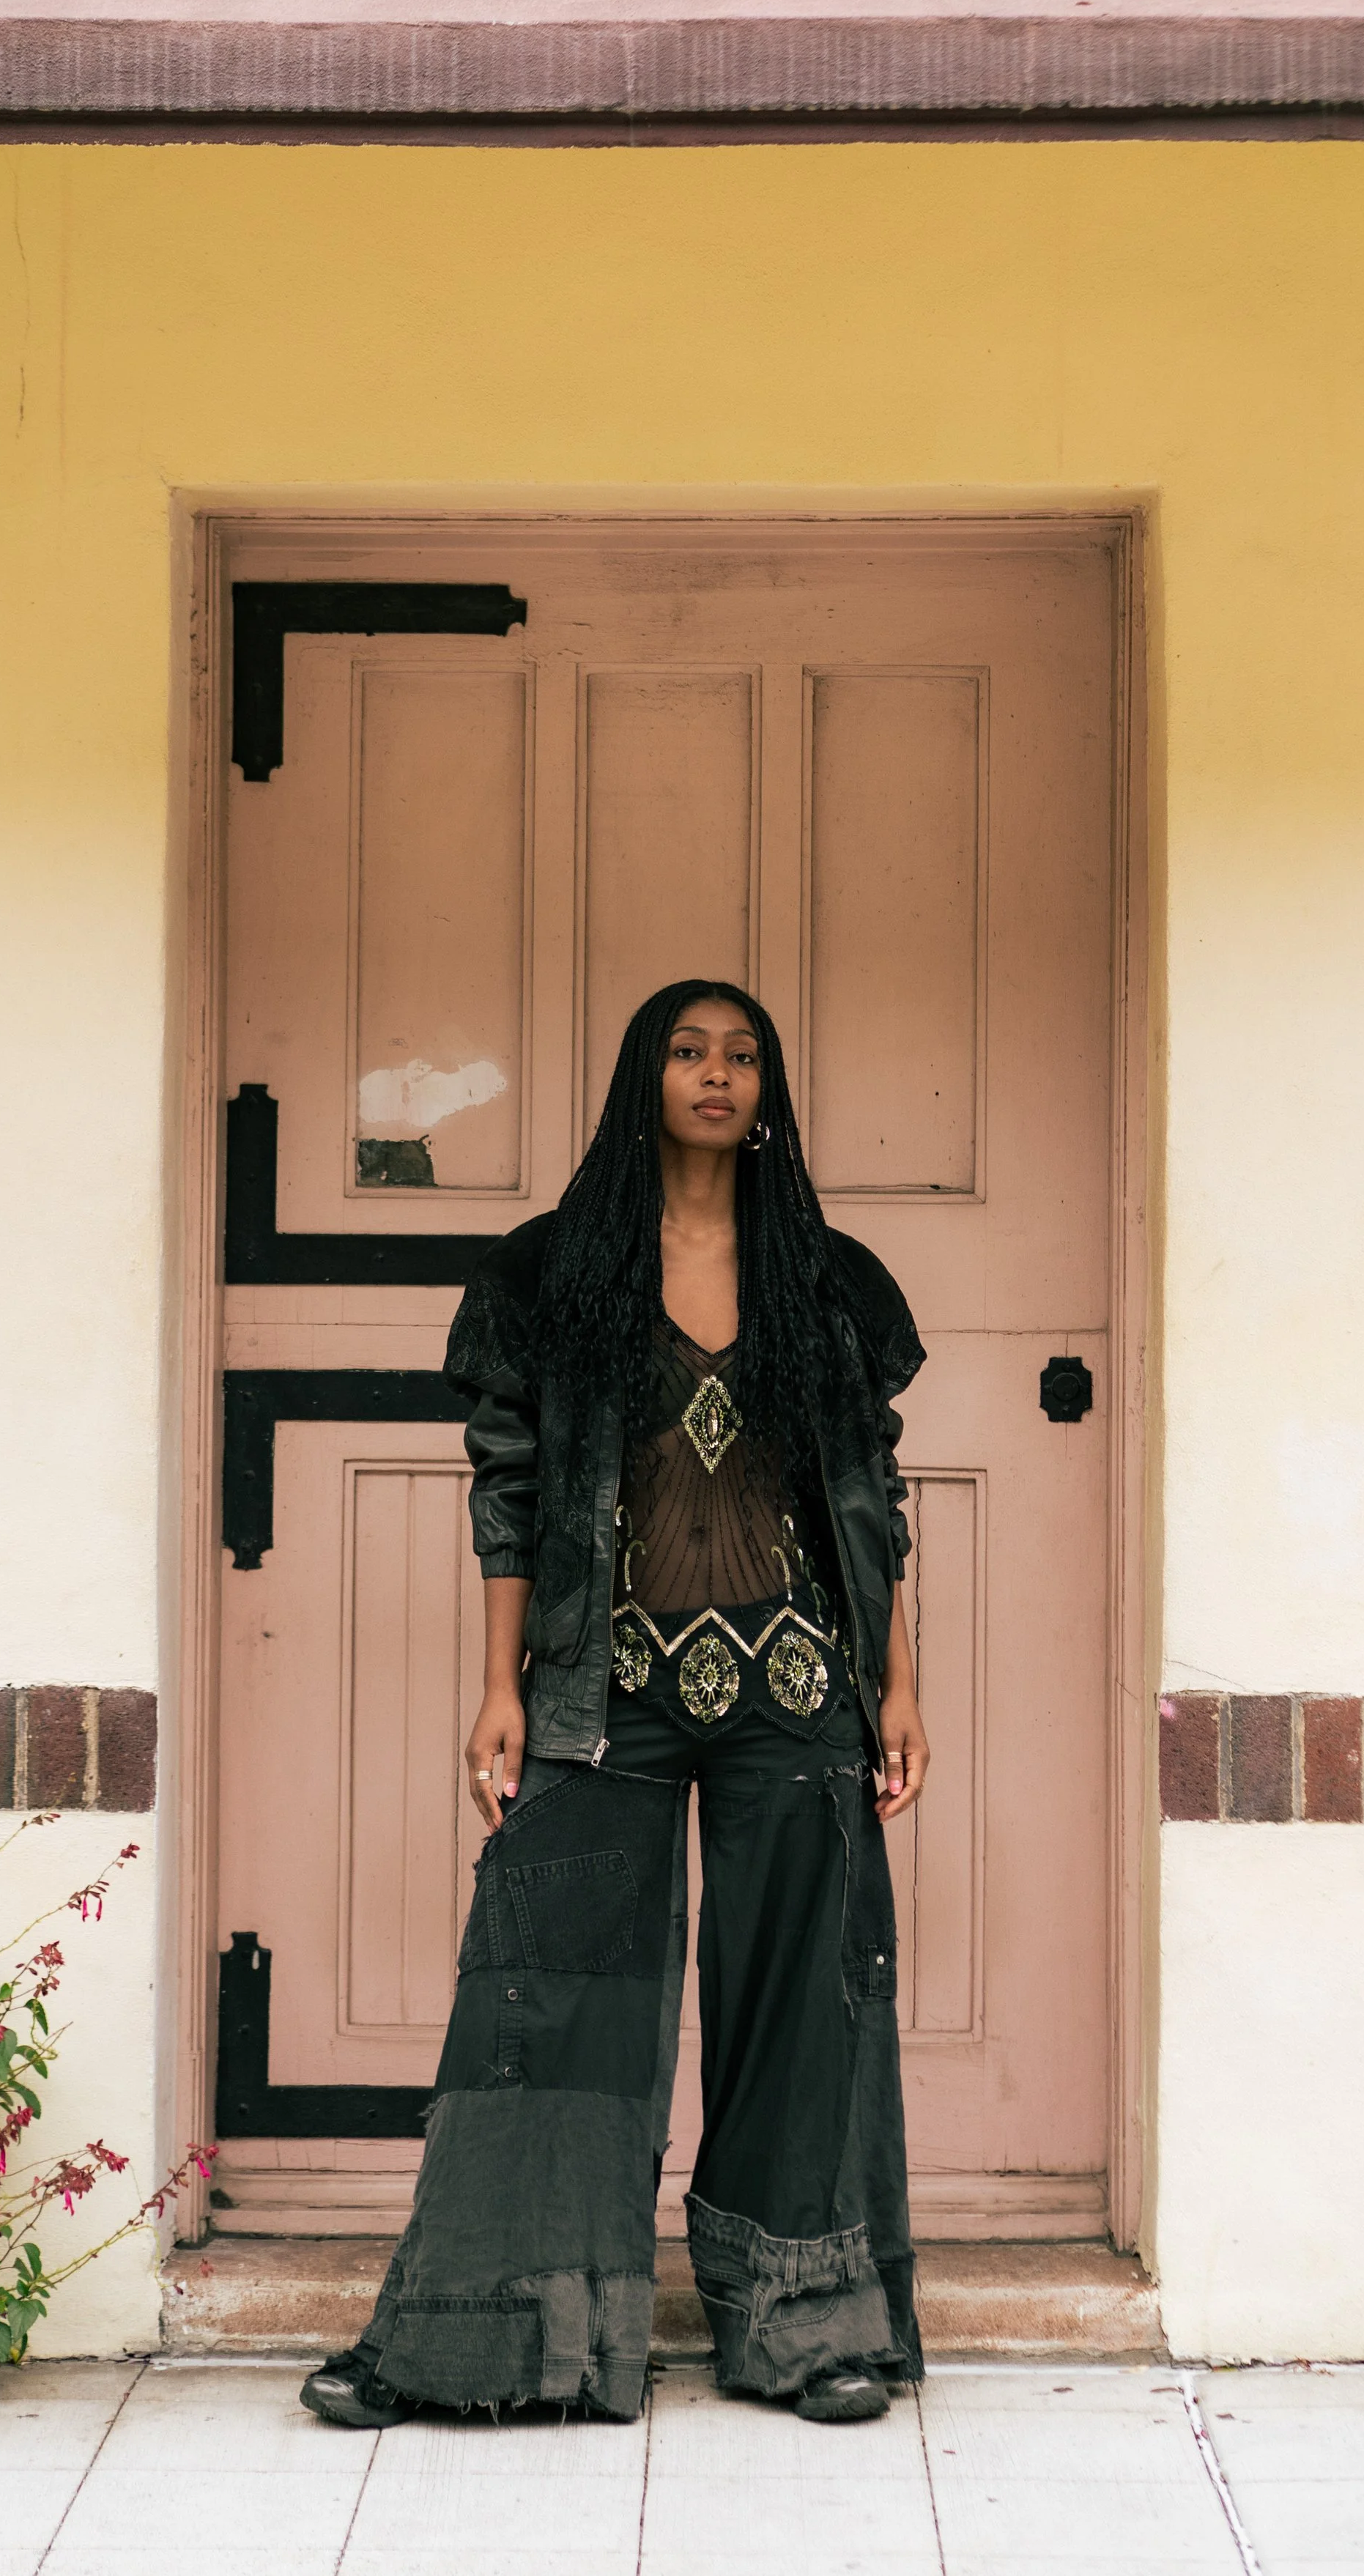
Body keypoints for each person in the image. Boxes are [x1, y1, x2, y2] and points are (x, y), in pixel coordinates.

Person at [300, 980, 931, 2429]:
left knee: (801, 2011)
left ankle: (804, 2333)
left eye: (741, 1055)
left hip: (797, 1691)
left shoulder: (827, 1279)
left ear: (767, 1089)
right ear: (643, 1075)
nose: (715, 1073)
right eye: (687, 1050)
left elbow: (870, 1501)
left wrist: (898, 1686)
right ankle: (495, 2339)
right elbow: (509, 1494)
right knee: (548, 2002)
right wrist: (498, 1686)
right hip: (602, 1693)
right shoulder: (554, 1270)